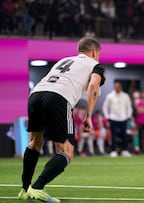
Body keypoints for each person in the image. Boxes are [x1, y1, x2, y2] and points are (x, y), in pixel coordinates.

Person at [18, 37, 105, 202]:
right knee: (66, 152)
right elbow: (94, 86)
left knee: (35, 143)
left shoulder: (64, 60)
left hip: (36, 95)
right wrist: (88, 116)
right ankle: (37, 187)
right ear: (94, 52)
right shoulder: (95, 66)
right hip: (58, 98)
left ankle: (24, 189)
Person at [102, 80, 133, 158]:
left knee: (124, 135)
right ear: (114, 87)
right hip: (113, 118)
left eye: (118, 87)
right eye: (116, 87)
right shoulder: (110, 96)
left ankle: (125, 150)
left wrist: (129, 115)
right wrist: (107, 116)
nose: (117, 88)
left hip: (123, 118)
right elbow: (105, 107)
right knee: (113, 135)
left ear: (120, 87)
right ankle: (113, 151)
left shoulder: (125, 96)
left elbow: (129, 107)